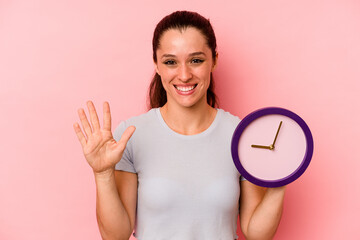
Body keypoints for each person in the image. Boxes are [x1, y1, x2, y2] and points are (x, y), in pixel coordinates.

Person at [73, 11, 286, 240]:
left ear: (214, 60)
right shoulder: (132, 136)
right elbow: (116, 235)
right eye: (170, 62)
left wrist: (282, 178)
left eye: (196, 60)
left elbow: (256, 234)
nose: (184, 75)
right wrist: (103, 173)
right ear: (156, 64)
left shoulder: (240, 135)